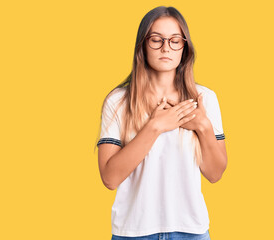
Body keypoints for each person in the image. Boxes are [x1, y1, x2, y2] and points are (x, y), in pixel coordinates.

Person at [96, 6, 227, 240]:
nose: (166, 47)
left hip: (191, 231)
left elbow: (215, 174)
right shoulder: (118, 101)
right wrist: (155, 126)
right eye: (156, 40)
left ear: (184, 48)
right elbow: (110, 178)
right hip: (133, 233)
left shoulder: (204, 99)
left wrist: (203, 127)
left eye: (175, 40)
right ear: (143, 46)